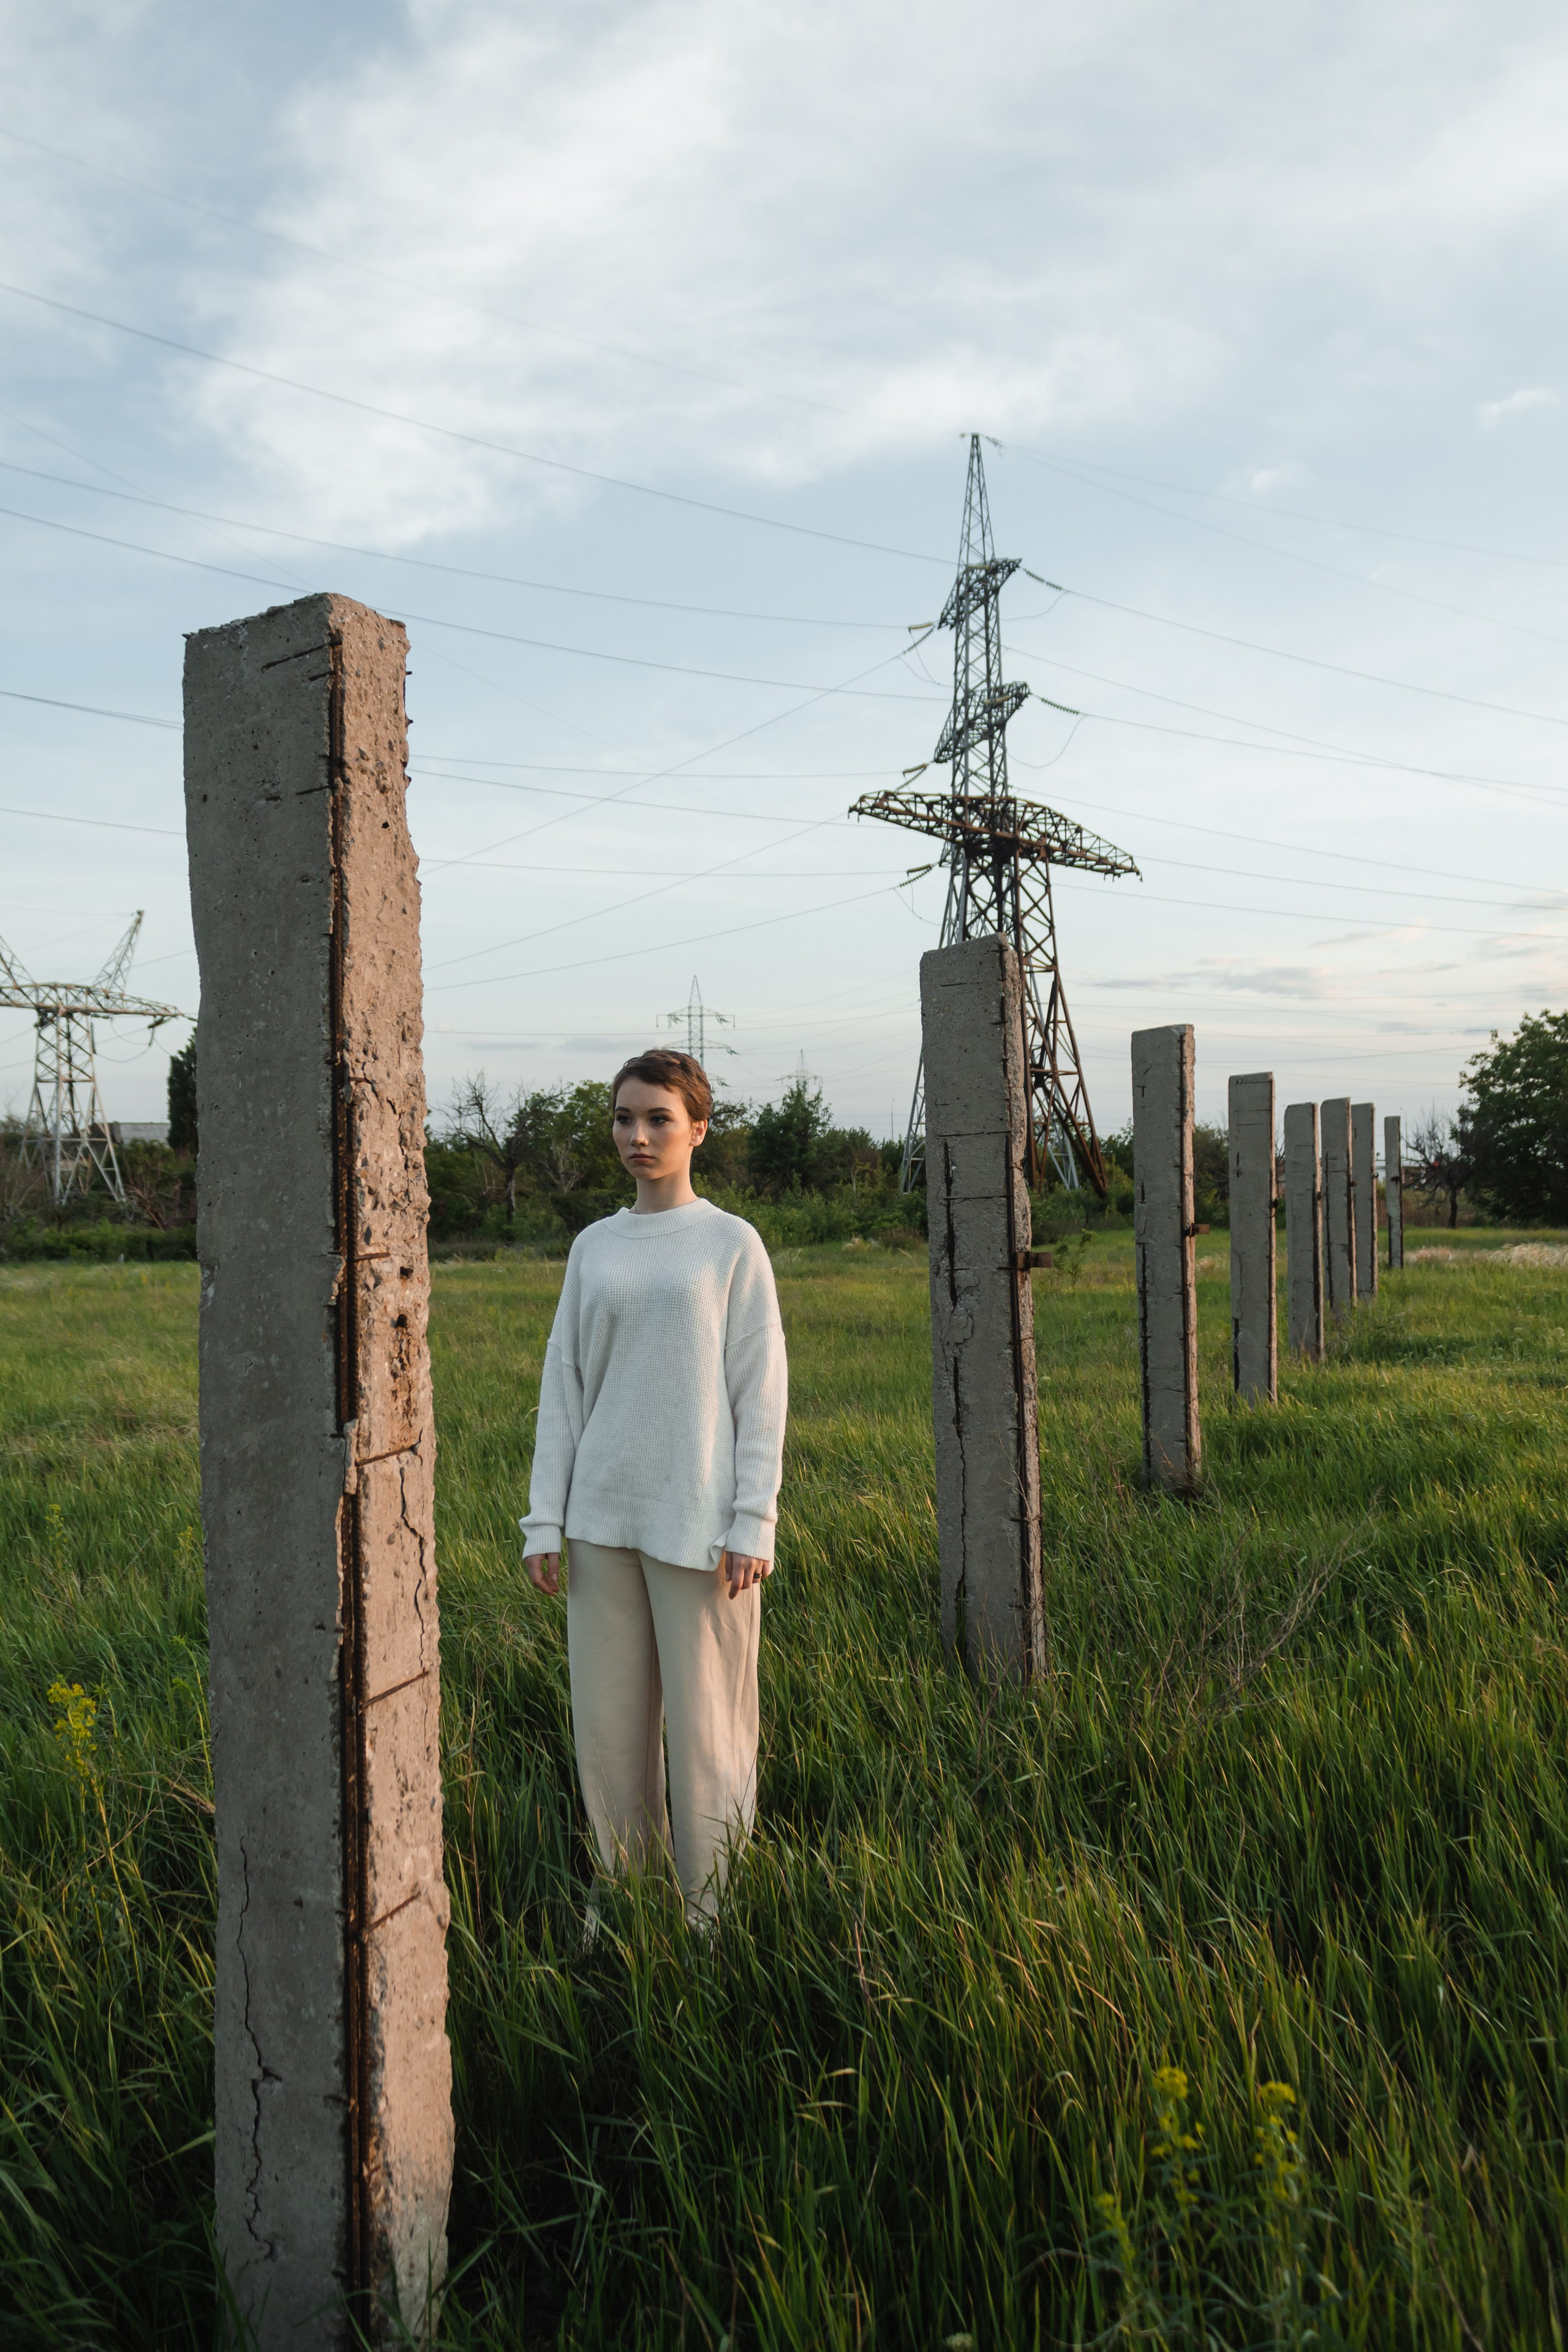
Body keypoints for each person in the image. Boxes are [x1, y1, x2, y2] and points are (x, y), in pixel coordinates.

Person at [521, 1048, 788, 1928]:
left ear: (698, 1130)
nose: (638, 1136)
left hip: (702, 1525)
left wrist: (754, 1520)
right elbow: (563, 1387)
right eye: (625, 1120)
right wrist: (544, 1521)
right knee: (609, 1733)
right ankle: (625, 1902)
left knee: (710, 1732)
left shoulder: (730, 1243)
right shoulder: (593, 1246)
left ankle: (711, 1916)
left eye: (659, 1119)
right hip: (600, 1523)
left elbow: (761, 1391)